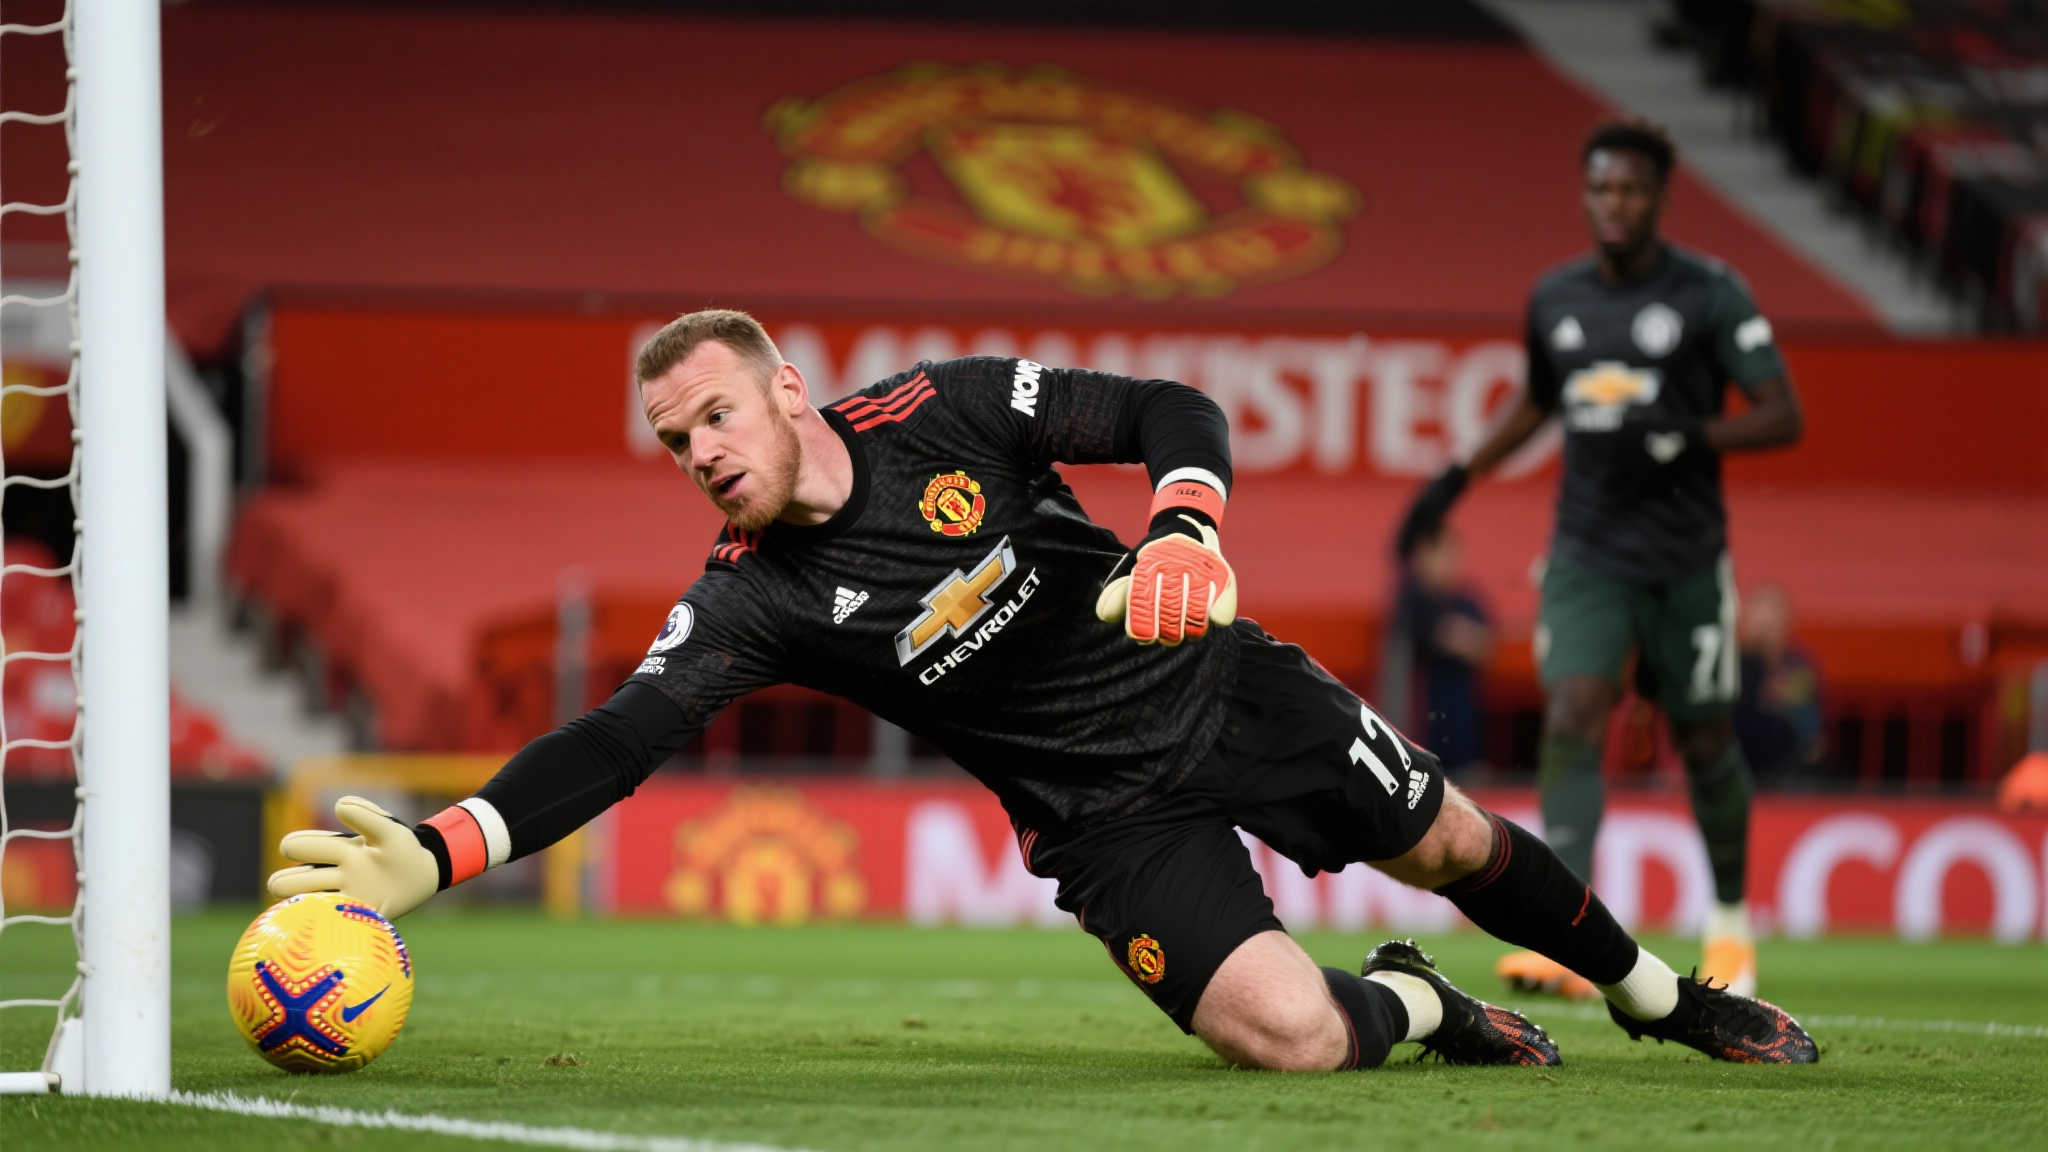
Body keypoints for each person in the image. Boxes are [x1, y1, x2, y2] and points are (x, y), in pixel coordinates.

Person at [270, 308, 1816, 1069]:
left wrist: (1186, 523)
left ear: (786, 389)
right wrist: (441, 850)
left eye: (719, 416)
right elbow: (620, 738)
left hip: (1213, 685)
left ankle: (1663, 1000)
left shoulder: (944, 412)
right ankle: (1424, 1000)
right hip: (1101, 819)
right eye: (678, 444)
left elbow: (1163, 405)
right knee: (1288, 1039)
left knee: (1459, 842)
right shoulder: (750, 600)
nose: (705, 454)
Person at [1395, 119, 1806, 1000]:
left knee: (1703, 736)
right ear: (1585, 195)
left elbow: (1783, 413)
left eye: (1630, 189)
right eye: (1600, 188)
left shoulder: (1709, 293)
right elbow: (1538, 400)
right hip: (1586, 554)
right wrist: (1456, 477)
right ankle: (1564, 934)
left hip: (1685, 560)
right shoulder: (1557, 297)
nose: (1613, 203)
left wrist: (1690, 434)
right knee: (1574, 715)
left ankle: (1731, 927)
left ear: (1659, 197)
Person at [1391, 527, 1494, 775]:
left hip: (1464, 724)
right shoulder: (1412, 600)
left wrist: (1461, 637)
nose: (1446, 564)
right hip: (1419, 731)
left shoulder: (1467, 601)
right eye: (1439, 555)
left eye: (1452, 555)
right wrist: (1458, 636)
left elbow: (1485, 644)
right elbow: (1442, 635)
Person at [1733, 584, 1826, 786]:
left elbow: (1809, 735)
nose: (1763, 634)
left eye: (1769, 626)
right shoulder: (1733, 669)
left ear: (1784, 626)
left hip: (1786, 775)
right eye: (1758, 624)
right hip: (1738, 769)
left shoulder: (1799, 669)